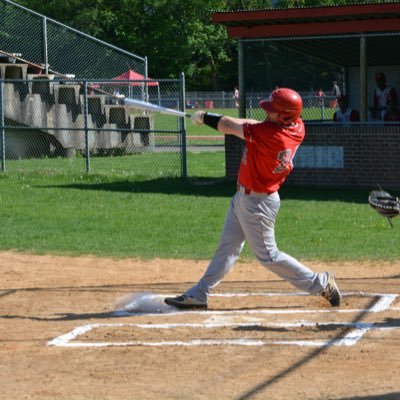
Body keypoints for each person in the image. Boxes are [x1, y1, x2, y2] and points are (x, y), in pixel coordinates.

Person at [165, 88, 341, 310]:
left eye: (273, 111)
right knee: (227, 248)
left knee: (268, 256)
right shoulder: (296, 126)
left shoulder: (272, 135)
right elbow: (251, 125)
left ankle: (321, 283)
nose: (268, 113)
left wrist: (206, 117)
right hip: (245, 197)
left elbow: (229, 127)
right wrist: (208, 117)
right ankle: (200, 293)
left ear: (284, 116)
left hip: (257, 203)